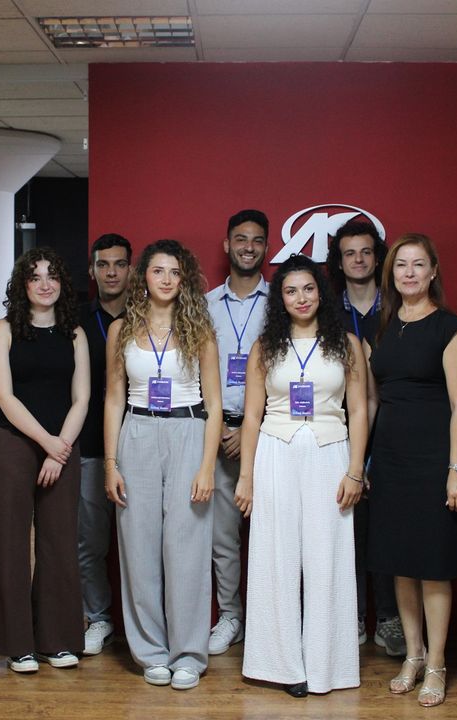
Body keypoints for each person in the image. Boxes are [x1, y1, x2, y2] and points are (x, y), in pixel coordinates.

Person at [234, 254, 368, 697]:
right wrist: (246, 477)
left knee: (328, 559)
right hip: (276, 451)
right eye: (291, 291)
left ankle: (327, 666)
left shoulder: (346, 344)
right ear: (281, 298)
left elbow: (359, 410)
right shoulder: (264, 347)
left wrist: (355, 471)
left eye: (308, 288)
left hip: (331, 454)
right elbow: (251, 417)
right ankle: (282, 666)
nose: (301, 298)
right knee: (275, 558)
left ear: (321, 293)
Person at [105, 239, 223, 691]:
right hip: (136, 432)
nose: (167, 279)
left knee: (187, 548)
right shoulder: (121, 330)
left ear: (184, 278)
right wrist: (111, 463)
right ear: (144, 278)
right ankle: (151, 652)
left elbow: (214, 403)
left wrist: (207, 466)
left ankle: (188, 654)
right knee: (138, 547)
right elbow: (113, 399)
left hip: (188, 430)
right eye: (158, 271)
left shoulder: (200, 330)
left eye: (175, 272)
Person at [366, 233, 457, 708]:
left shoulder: (451, 329)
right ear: (391, 275)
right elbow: (373, 398)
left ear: (433, 272)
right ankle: (413, 655)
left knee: (432, 566)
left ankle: (437, 664)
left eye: (418, 264)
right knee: (401, 565)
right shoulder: (385, 327)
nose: (409, 273)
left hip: (434, 462)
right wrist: (366, 461)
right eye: (401, 265)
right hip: (390, 461)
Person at [0, 247, 90, 674]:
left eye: (52, 276)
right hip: (14, 443)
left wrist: (59, 448)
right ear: (22, 285)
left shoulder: (74, 333)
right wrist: (47, 442)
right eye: (35, 277)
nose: (45, 284)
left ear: (62, 283)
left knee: (59, 542)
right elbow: (4, 397)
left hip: (62, 446)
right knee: (9, 544)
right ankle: (17, 645)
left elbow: (82, 398)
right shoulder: (4, 330)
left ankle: (56, 640)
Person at [326, 217, 403, 657]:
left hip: (392, 431)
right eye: (349, 253)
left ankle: (389, 618)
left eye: (366, 252)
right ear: (339, 262)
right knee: (346, 529)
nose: (358, 260)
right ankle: (351, 614)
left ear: (378, 258)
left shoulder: (397, 306)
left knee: (388, 530)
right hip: (340, 431)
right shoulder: (327, 311)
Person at [203, 209, 269, 656]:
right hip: (218, 431)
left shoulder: (283, 301)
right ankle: (231, 616)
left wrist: (249, 427)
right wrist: (225, 427)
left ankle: (271, 619)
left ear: (266, 247)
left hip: (270, 433)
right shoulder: (206, 305)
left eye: (257, 240)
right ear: (227, 245)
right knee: (222, 538)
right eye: (241, 239)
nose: (248, 247)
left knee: (274, 535)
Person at [76, 233, 133, 656]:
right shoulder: (77, 319)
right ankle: (99, 618)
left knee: (144, 544)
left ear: (131, 269)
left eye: (119, 264)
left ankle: (143, 624)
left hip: (143, 445)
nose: (111, 272)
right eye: (103, 264)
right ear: (92, 270)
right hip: (92, 447)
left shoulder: (149, 316)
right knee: (90, 544)